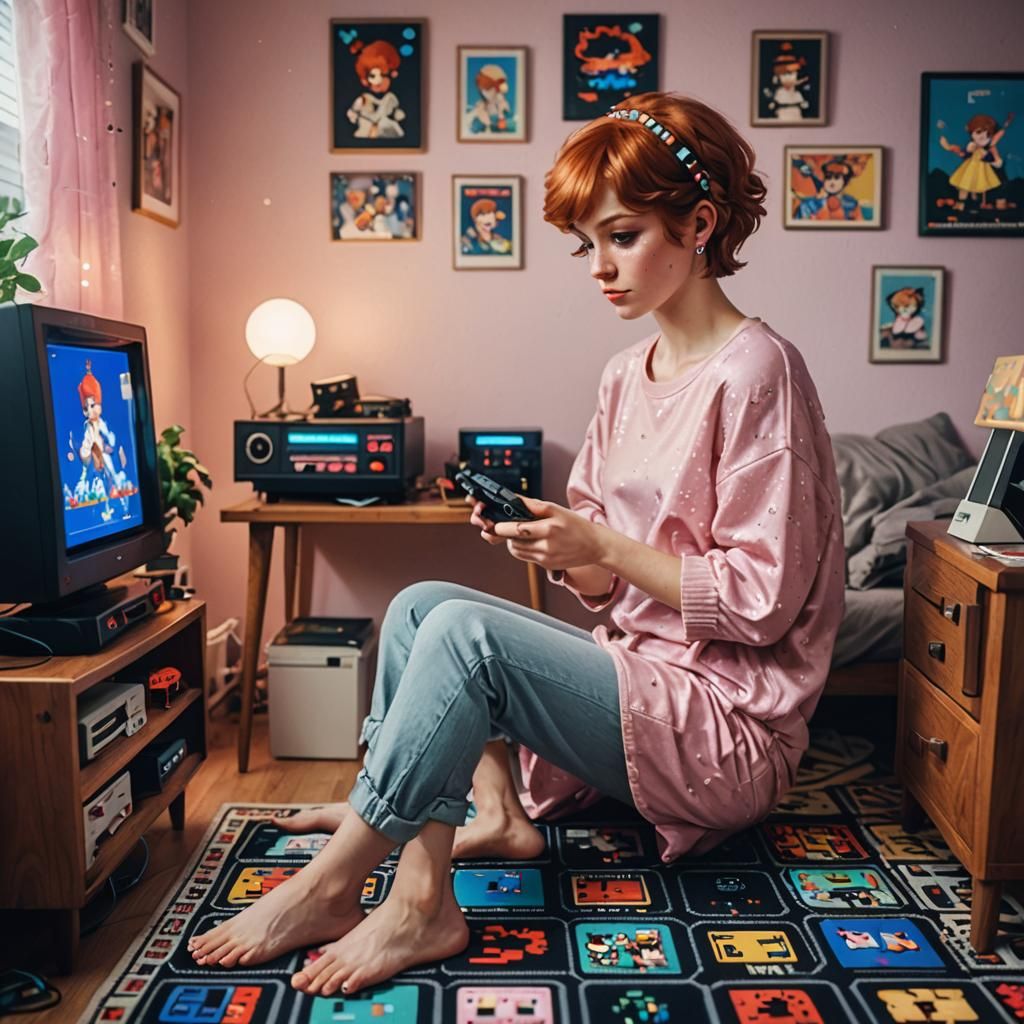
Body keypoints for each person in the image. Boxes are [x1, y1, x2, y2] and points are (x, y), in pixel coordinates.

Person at [188, 90, 845, 997]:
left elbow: (763, 605)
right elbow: (612, 594)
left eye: (622, 236)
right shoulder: (625, 375)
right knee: (424, 605)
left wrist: (603, 548)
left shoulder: (760, 371)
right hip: (639, 686)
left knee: (467, 637)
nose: (598, 267)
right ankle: (480, 824)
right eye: (587, 244)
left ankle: (348, 882)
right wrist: (563, 549)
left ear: (700, 223)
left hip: (724, 732)